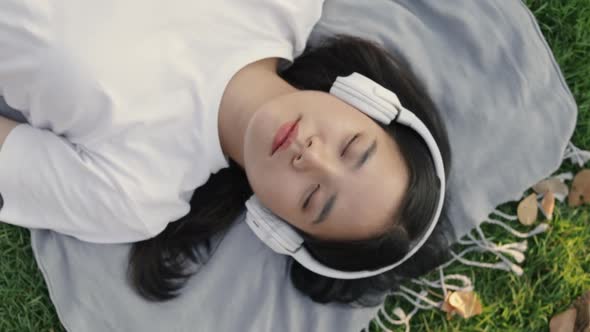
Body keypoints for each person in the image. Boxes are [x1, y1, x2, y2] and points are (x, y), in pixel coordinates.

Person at [0, 0, 452, 305]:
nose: (311, 157)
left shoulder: (135, 196)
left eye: (313, 198)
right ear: (365, 98)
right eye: (351, 145)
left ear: (275, 226)